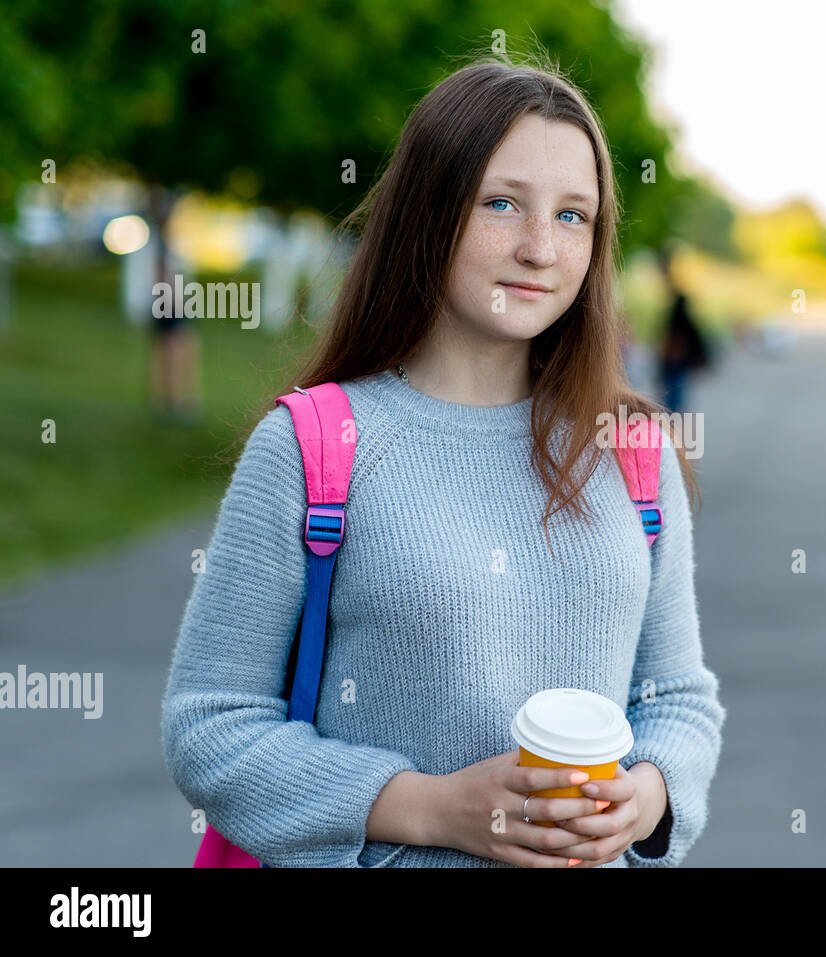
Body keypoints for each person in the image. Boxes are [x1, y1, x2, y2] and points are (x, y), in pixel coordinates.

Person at [161, 57, 726, 868]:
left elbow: (677, 698)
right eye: (501, 203)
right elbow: (211, 723)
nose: (539, 248)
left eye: (574, 217)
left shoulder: (631, 446)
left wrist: (648, 797)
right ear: (428, 213)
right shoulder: (313, 446)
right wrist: (431, 809)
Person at [144, 185, 203, 424]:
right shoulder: (159, 246)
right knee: (175, 353)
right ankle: (176, 401)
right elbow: (162, 281)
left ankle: (170, 399)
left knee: (173, 353)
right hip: (170, 308)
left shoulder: (165, 244)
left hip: (172, 308)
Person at [656, 246, 711, 413]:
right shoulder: (679, 305)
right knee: (672, 401)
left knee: (672, 404)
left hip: (676, 361)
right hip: (676, 361)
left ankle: (672, 433)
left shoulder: (679, 308)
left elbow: (678, 335)